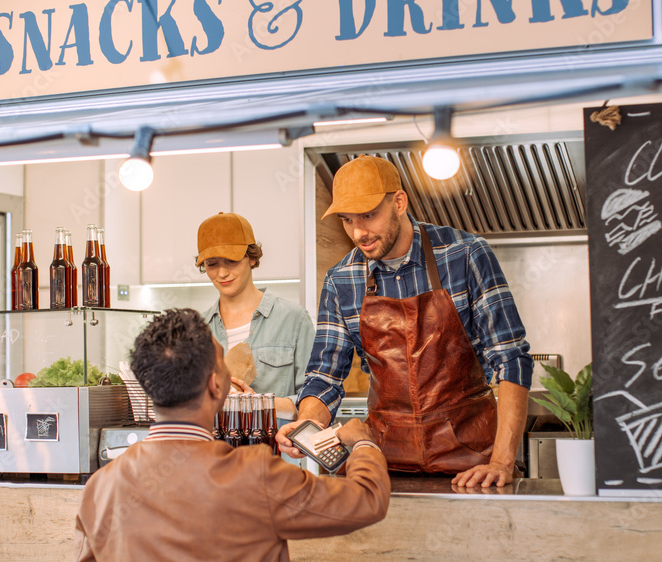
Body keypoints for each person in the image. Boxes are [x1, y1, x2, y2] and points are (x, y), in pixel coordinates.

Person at [278, 155, 533, 488]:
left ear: (399, 202)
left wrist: (501, 462)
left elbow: (512, 358)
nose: (358, 232)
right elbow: (325, 377)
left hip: (471, 464)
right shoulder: (341, 279)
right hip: (384, 464)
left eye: (369, 216)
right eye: (347, 219)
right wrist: (305, 427)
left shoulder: (465, 254)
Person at [74, 308, 389, 562]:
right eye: (223, 362)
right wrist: (362, 441)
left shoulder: (100, 487)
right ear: (216, 385)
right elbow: (367, 500)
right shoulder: (255, 474)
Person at [196, 212, 314, 423]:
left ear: (252, 258)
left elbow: (313, 404)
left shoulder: (293, 320)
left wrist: (258, 404)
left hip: (274, 453)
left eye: (231, 261)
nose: (222, 273)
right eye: (212, 264)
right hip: (214, 453)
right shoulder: (198, 330)